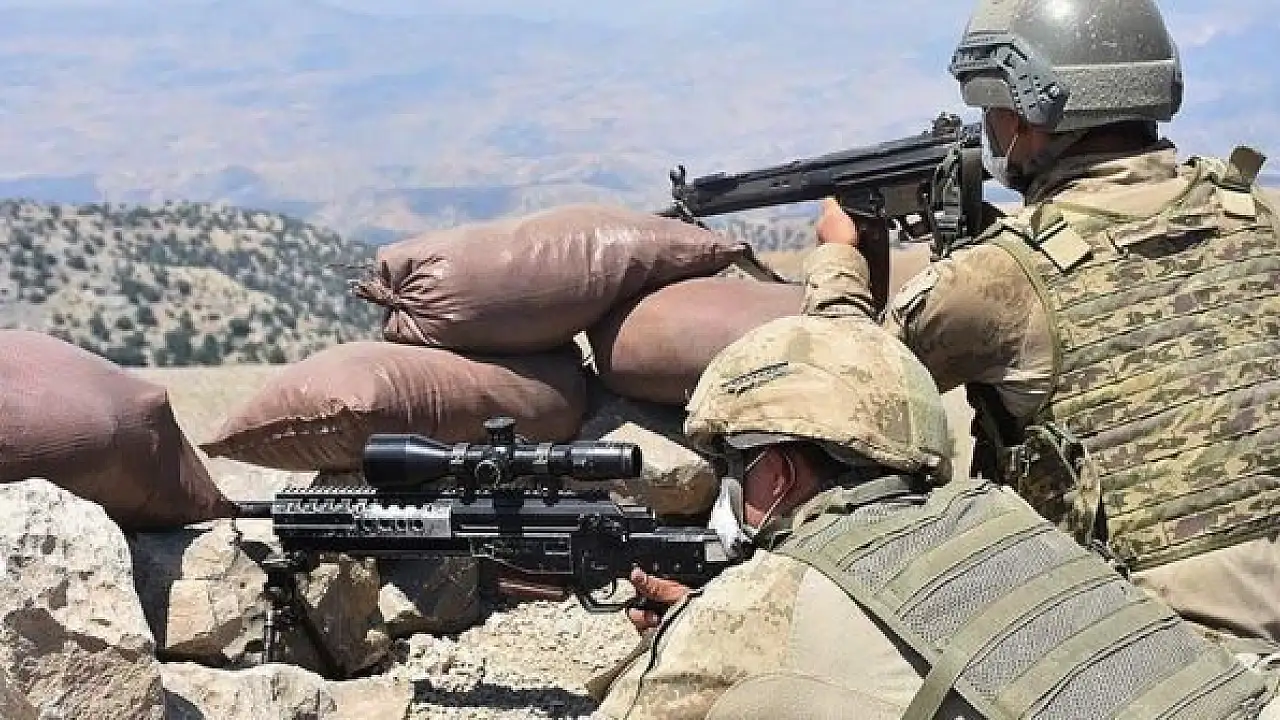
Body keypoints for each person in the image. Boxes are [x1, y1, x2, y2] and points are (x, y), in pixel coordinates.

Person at [587, 273, 1279, 719]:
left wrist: (707, 630)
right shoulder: (1003, 520)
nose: (729, 486)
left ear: (779, 474)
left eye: (732, 463)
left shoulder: (762, 601)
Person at [807, 0, 1280, 650]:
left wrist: (838, 260)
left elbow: (833, 401)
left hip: (1150, 660)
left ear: (1026, 114)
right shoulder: (1260, 218)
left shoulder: (997, 277)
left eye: (991, 106)